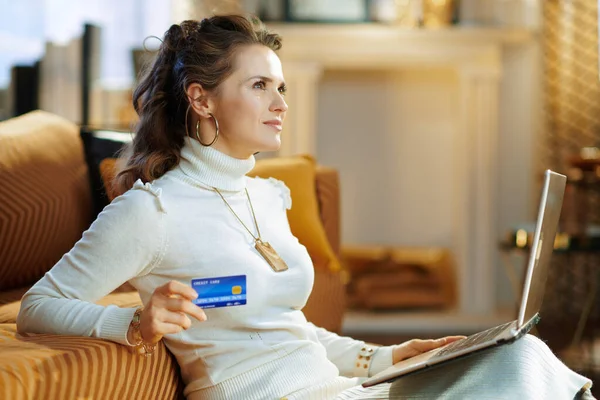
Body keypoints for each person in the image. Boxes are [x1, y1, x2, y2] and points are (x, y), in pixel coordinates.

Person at [16, 15, 594, 400]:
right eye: (260, 86)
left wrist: (385, 356)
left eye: (282, 88)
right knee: (515, 375)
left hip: (332, 390)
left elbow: (288, 331)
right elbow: (40, 304)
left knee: (515, 356)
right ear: (201, 98)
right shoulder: (153, 213)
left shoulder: (265, 197)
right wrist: (132, 322)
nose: (280, 104)